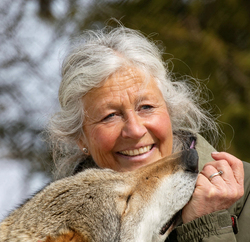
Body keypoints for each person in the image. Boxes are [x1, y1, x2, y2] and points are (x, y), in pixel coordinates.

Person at [48, 25, 249, 241]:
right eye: (110, 116)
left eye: (146, 107)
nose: (134, 130)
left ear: (170, 112)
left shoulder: (244, 194)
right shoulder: (57, 231)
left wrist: (206, 228)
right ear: (80, 138)